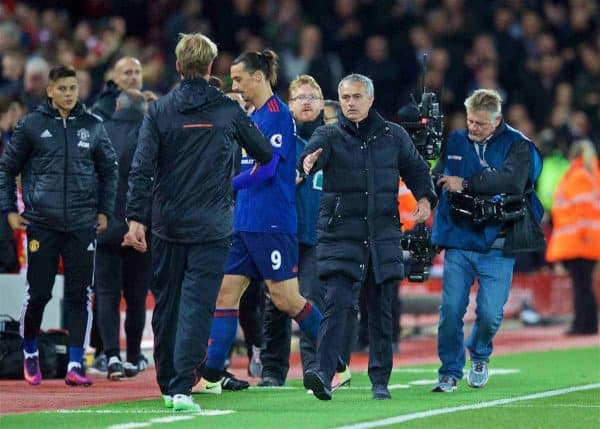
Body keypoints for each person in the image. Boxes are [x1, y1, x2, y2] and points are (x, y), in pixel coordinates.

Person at [124, 33, 272, 412]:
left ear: (177, 65)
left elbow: (141, 169)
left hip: (167, 222)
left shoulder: (160, 111)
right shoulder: (227, 110)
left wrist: (136, 218)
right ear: (211, 67)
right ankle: (180, 387)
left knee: (168, 304)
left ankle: (166, 382)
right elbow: (265, 153)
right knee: (196, 305)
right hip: (212, 224)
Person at [199, 51, 339, 393]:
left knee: (286, 299)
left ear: (258, 77)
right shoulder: (256, 114)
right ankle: (210, 374)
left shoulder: (276, 115)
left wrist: (228, 184)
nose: (235, 85)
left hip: (272, 222)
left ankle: (334, 359)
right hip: (246, 220)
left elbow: (269, 168)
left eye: (238, 79)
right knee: (226, 293)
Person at [299, 73, 436, 400]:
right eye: (345, 97)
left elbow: (417, 170)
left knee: (380, 313)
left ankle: (380, 382)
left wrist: (426, 199)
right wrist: (307, 161)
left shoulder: (394, 136)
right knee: (337, 306)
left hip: (381, 236)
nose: (350, 103)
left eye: (356, 97)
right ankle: (323, 372)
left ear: (371, 99)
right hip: (342, 235)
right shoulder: (328, 135)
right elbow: (311, 152)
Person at [0, 65, 118, 387]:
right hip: (42, 224)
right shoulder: (31, 125)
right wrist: (9, 209)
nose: (68, 93)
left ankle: (76, 364)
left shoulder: (93, 126)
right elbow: (6, 169)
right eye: (62, 88)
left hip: (82, 224)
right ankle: (29, 351)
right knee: (39, 293)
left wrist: (105, 211)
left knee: (81, 294)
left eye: (73, 87)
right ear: (49, 91)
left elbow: (110, 169)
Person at [430, 88, 544, 393]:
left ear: (497, 121)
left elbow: (511, 181)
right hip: (459, 239)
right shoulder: (455, 140)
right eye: (470, 121)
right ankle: (449, 371)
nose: (473, 128)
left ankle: (479, 353)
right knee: (451, 309)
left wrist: (465, 184)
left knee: (491, 315)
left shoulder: (518, 145)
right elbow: (440, 175)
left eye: (480, 123)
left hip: (497, 242)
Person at [95, 89, 151, 380]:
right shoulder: (149, 132)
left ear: (117, 105)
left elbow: (92, 178)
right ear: (144, 109)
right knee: (137, 297)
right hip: (140, 228)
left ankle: (111, 356)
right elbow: (152, 181)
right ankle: (132, 357)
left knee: (107, 295)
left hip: (105, 226)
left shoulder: (99, 131)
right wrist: (138, 223)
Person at [546, 139, 599, 336]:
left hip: (579, 240)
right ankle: (588, 323)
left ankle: (583, 324)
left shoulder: (577, 177)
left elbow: (580, 211)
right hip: (587, 239)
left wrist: (583, 237)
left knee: (581, 285)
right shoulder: (591, 176)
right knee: (584, 284)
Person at [92, 57, 158, 122]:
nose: (134, 77)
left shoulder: (150, 101)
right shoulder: (103, 107)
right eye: (128, 73)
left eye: (137, 72)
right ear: (116, 78)